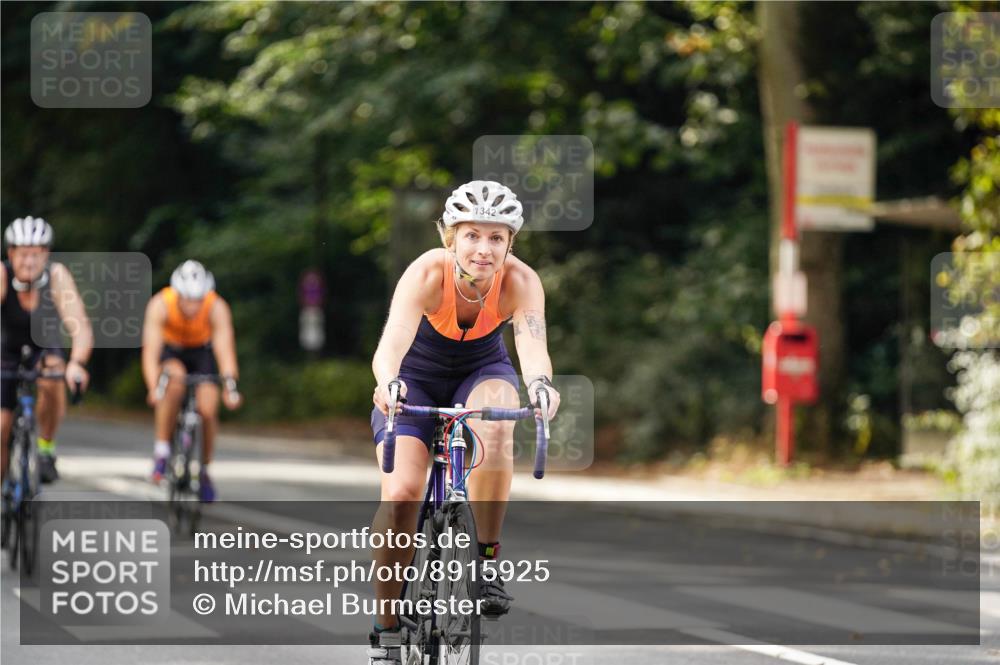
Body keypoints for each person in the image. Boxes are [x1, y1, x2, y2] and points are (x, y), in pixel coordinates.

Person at [367, 180, 560, 664]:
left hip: (481, 370)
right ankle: (387, 626)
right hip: (415, 376)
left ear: (510, 243)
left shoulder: (521, 281)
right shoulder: (427, 273)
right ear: (451, 236)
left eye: (497, 238)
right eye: (473, 235)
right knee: (402, 495)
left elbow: (533, 347)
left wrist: (541, 386)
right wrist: (390, 382)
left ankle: (487, 559)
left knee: (496, 427)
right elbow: (391, 344)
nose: (484, 248)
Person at [1, 216, 92, 486]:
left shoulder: (57, 276)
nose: (29, 262)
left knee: (54, 372)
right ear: (11, 254)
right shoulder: (3, 276)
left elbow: (80, 325)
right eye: (23, 254)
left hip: (44, 350)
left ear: (46, 255)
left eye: (36, 254)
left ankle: (45, 448)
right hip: (6, 352)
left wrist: (77, 362)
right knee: (2, 429)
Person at [141, 260, 241, 503]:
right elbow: (150, 351)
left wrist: (230, 385)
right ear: (178, 294)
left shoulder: (216, 306)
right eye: (187, 299)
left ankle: (205, 469)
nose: (192, 306)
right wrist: (154, 386)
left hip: (201, 353)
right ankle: (162, 452)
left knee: (208, 409)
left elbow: (225, 349)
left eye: (197, 300)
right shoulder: (160, 304)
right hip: (171, 352)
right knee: (173, 381)